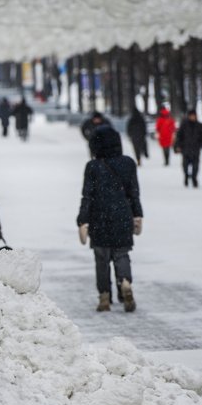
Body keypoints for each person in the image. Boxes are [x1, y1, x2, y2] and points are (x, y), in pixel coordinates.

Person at [77, 126, 143, 312]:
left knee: (102, 259)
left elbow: (87, 196)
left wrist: (82, 220)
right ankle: (125, 282)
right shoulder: (128, 163)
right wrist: (137, 215)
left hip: (99, 218)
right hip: (123, 216)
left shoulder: (92, 167)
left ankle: (104, 296)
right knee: (122, 254)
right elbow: (134, 194)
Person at [174, 109, 202, 188]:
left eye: (194, 115)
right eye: (191, 115)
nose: (193, 117)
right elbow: (179, 136)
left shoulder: (200, 126)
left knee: (195, 166)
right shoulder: (184, 125)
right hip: (185, 149)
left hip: (196, 149)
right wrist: (177, 146)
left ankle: (194, 178)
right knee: (185, 166)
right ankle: (186, 176)